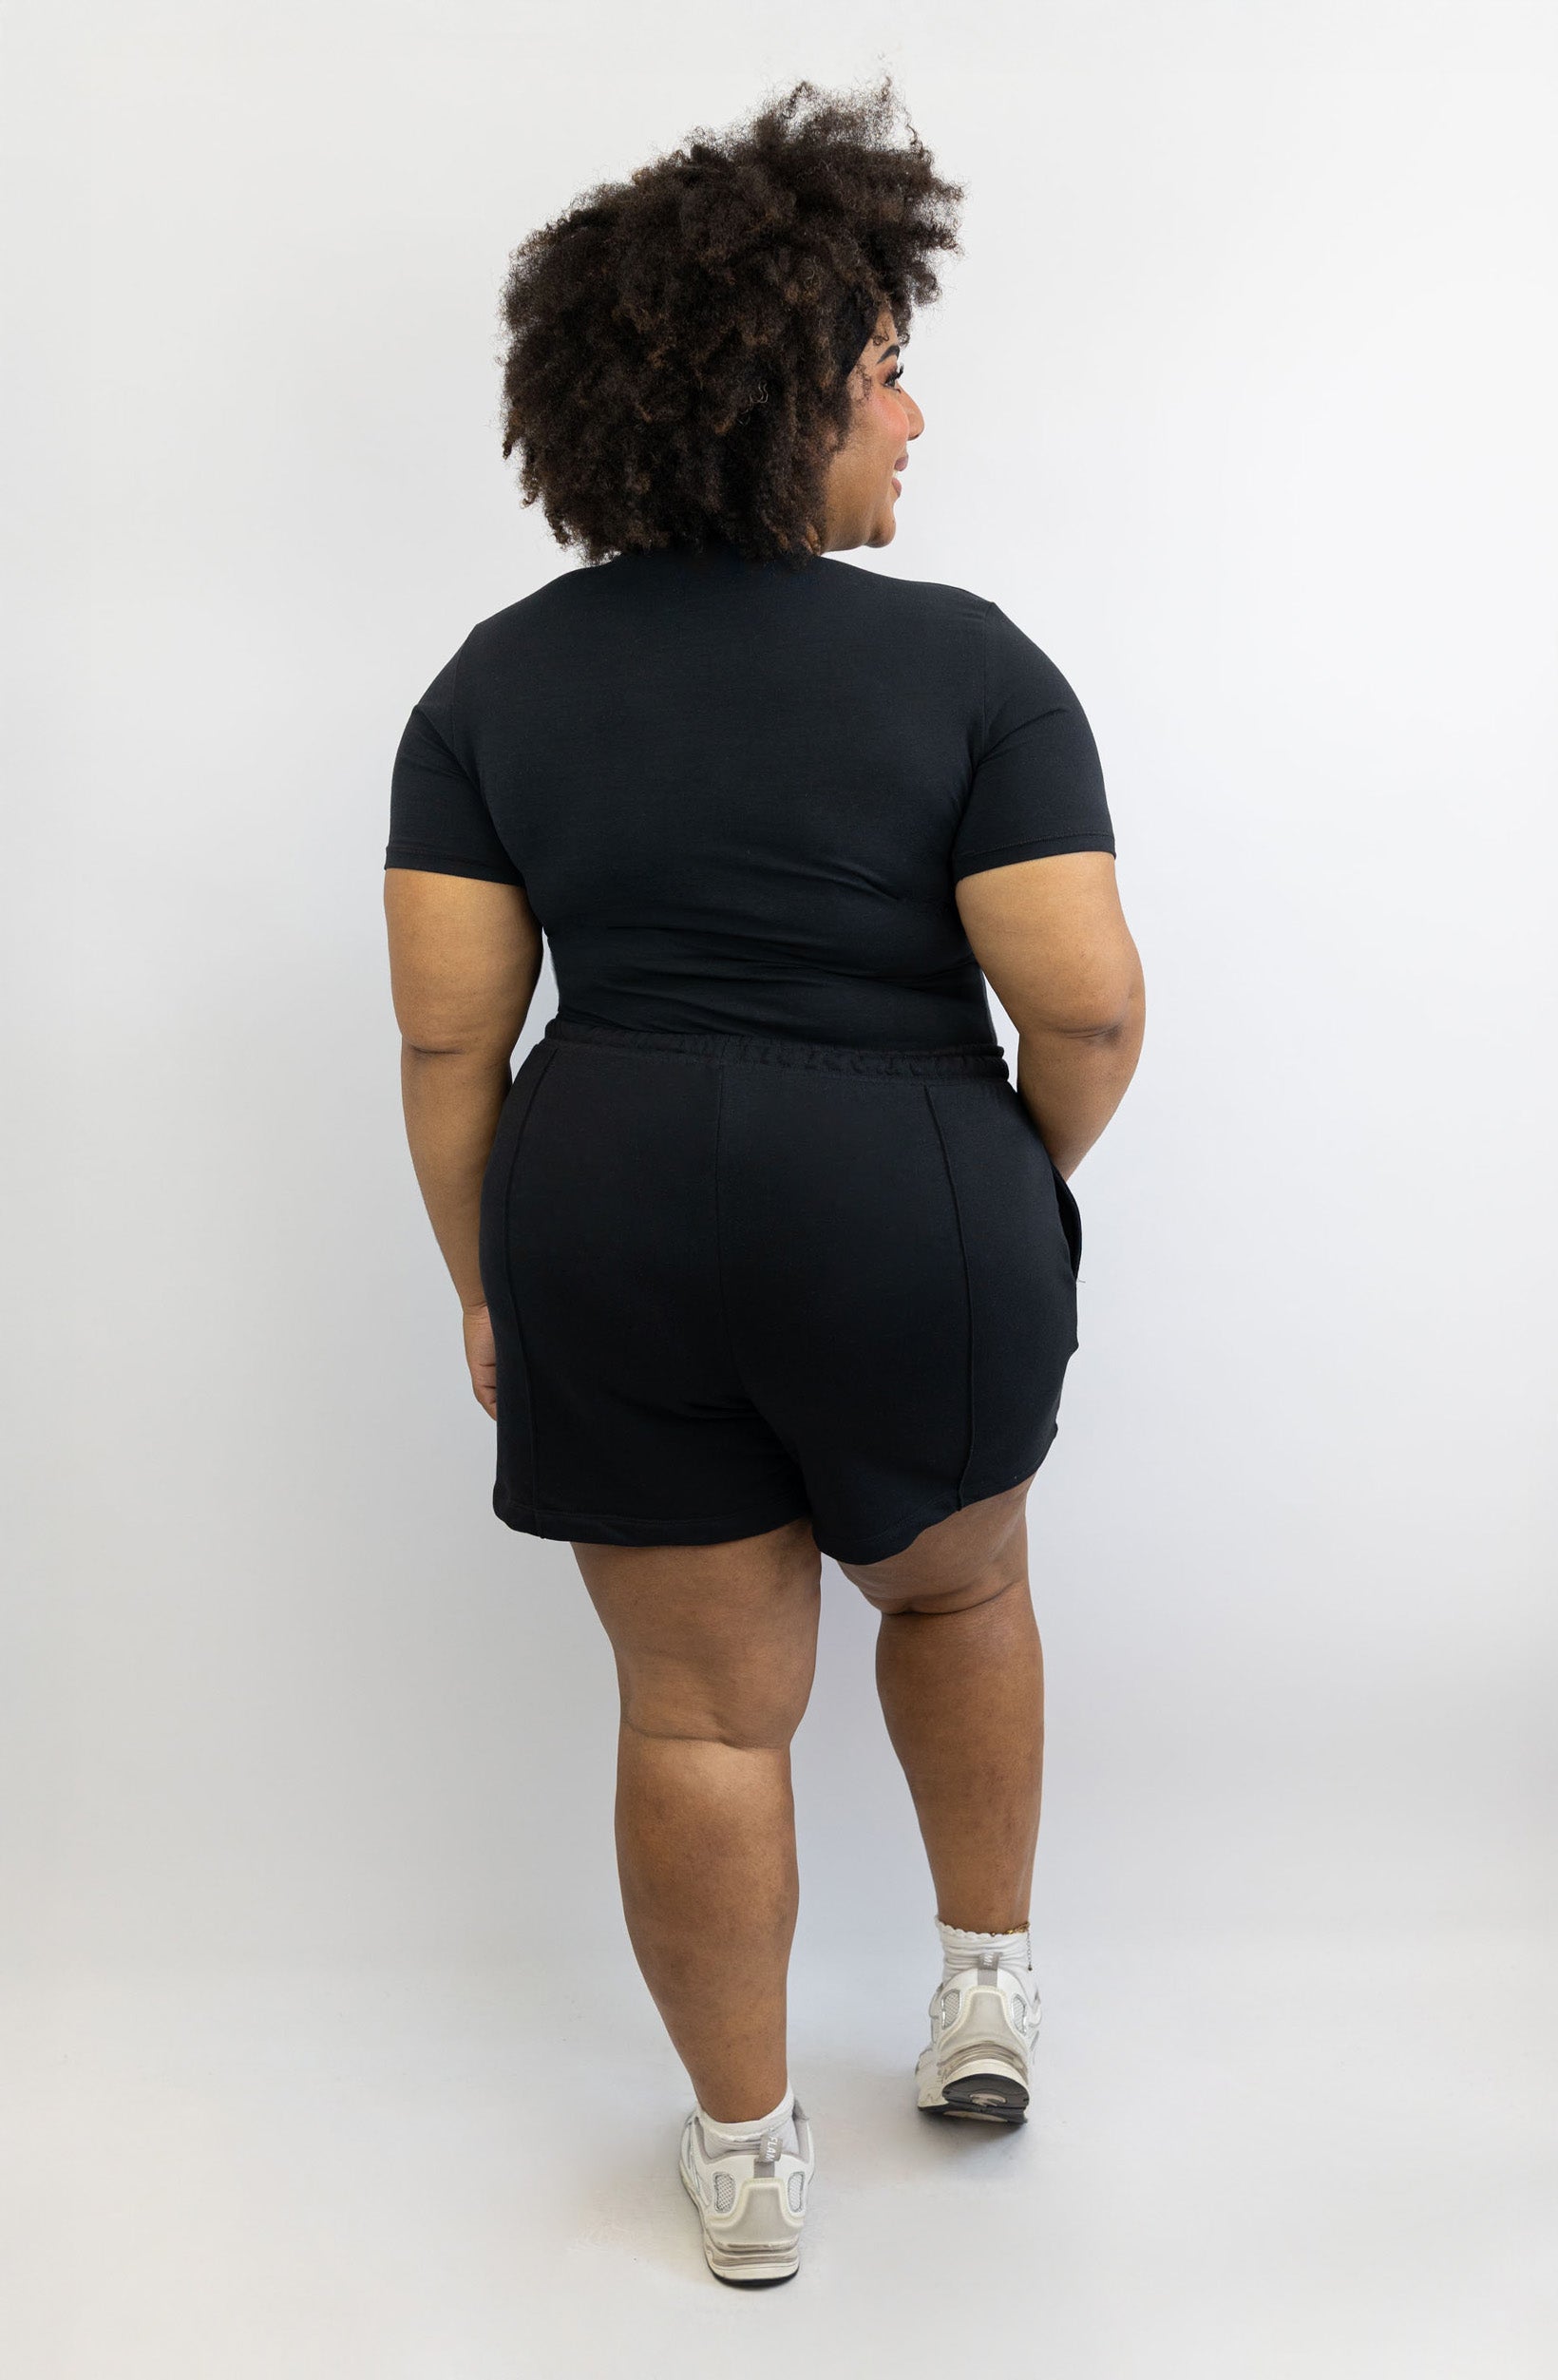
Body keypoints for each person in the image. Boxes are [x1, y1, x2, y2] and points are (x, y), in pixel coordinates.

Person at [383, 77, 1145, 2288]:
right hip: (915, 1190)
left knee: (699, 1707)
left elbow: (447, 1038)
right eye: (882, 367)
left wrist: (484, 1275)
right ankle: (982, 1992)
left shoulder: (489, 687)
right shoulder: (971, 666)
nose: (911, 411)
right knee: (958, 1591)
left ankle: (742, 2158)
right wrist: (995, 1181)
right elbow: (1085, 1005)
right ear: (779, 395)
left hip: (604, 1200)